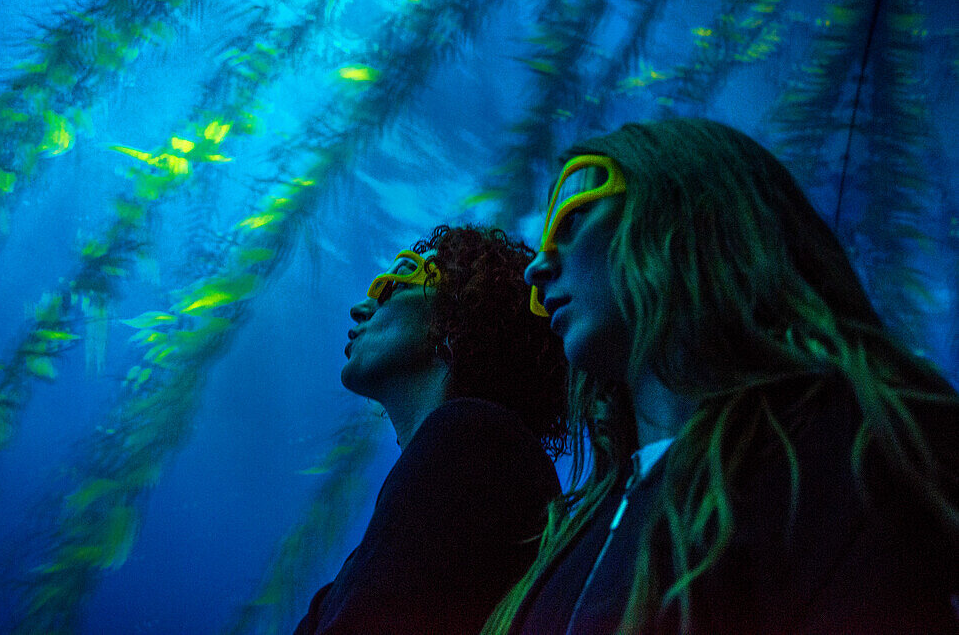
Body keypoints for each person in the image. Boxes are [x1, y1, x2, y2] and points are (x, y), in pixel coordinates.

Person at [485, 119, 959, 633]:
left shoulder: (853, 445)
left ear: (691, 209)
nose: (536, 267)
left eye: (571, 220)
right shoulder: (580, 523)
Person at [294, 225, 569, 635]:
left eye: (397, 281)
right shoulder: (480, 458)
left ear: (460, 307)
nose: (361, 307)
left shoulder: (474, 442)